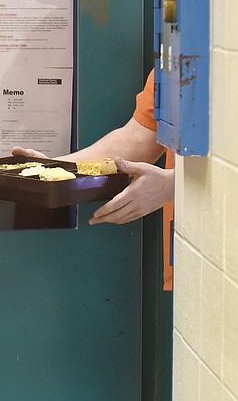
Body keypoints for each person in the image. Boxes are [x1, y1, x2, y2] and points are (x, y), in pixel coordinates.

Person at [12, 70, 174, 288]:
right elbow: (139, 137)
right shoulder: (176, 54)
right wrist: (58, 168)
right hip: (192, 251)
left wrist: (173, 185)